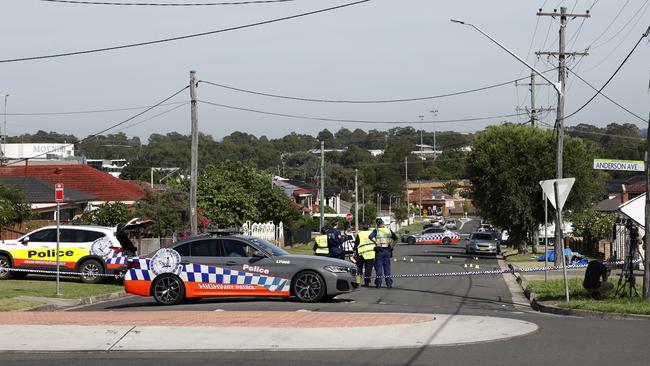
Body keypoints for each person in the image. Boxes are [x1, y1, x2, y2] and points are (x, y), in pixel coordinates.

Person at [369, 218, 398, 289]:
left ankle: (378, 284)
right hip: (387, 251)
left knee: (379, 268)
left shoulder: (376, 230)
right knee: (387, 268)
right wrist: (392, 245)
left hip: (379, 251)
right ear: (383, 223)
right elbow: (396, 239)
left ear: (377, 224)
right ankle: (389, 284)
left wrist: (375, 242)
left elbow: (370, 237)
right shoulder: (388, 230)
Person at [354, 222, 375, 287]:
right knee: (368, 269)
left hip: (361, 254)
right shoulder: (372, 233)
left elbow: (356, 244)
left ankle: (357, 282)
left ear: (362, 227)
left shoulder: (360, 234)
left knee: (358, 269)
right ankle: (367, 282)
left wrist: (354, 252)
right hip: (371, 253)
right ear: (369, 226)